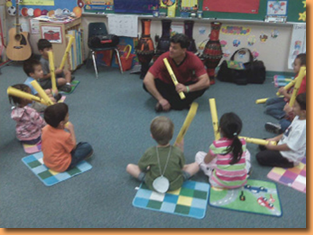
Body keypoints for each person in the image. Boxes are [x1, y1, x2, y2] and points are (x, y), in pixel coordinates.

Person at [126, 116, 199, 192]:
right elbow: (181, 167)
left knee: (129, 167)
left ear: (152, 136)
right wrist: (181, 149)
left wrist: (148, 168)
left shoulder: (150, 152)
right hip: (175, 184)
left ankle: (146, 179)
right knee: (196, 165)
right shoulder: (177, 151)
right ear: (171, 135)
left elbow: (141, 167)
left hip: (153, 183)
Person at [143, 34, 210, 112]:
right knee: (146, 84)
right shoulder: (164, 57)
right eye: (170, 46)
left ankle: (170, 103)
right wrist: (161, 99)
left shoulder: (193, 59)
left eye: (174, 48)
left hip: (183, 87)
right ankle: (178, 103)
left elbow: (206, 81)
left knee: (203, 86)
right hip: (166, 85)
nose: (170, 50)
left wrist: (187, 88)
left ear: (184, 50)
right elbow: (147, 79)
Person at [195, 112, 251, 189]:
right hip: (240, 182)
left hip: (218, 183)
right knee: (246, 153)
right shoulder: (242, 142)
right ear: (239, 130)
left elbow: (206, 161)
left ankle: (211, 172)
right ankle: (241, 172)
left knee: (199, 155)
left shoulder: (217, 144)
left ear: (220, 129)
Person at [256, 93, 306, 168]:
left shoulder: (302, 128)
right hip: (284, 143)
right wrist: (274, 139)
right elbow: (287, 132)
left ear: (303, 112)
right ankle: (272, 150)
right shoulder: (298, 117)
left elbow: (290, 147)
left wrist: (272, 148)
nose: (292, 107)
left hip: (289, 156)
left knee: (260, 157)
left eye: (295, 106)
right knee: (262, 144)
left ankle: (288, 163)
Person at [42, 103, 93, 172]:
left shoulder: (45, 129)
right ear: (61, 123)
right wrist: (71, 130)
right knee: (86, 146)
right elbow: (73, 148)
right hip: (62, 165)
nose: (68, 116)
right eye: (67, 115)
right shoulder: (65, 136)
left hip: (47, 162)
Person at [264, 53, 306, 120]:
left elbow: (295, 98)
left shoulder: (302, 81)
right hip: (287, 99)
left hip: (293, 103)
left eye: (295, 65)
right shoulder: (298, 75)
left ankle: (287, 116)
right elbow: (291, 86)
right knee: (269, 101)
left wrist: (285, 94)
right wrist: (284, 89)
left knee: (269, 109)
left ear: (303, 67)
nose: (293, 67)